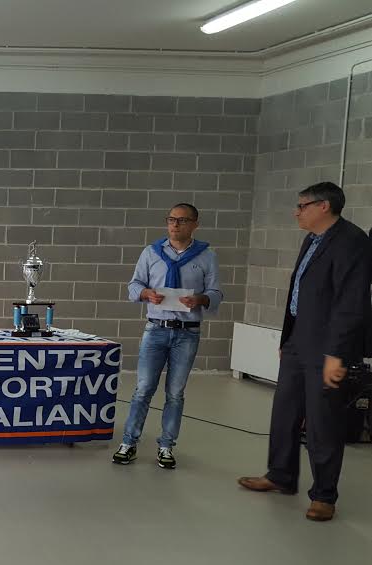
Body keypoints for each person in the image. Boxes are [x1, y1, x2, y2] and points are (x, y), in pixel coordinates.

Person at [238, 182, 372, 522]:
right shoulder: (312, 239)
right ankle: (280, 475)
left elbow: (352, 303)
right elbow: (299, 293)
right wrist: (287, 340)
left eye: (302, 206)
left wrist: (336, 354)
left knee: (323, 421)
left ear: (324, 206)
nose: (297, 212)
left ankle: (324, 495)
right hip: (299, 340)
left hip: (328, 346)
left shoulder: (352, 241)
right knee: (285, 411)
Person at [112, 203, 223, 469]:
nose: (175, 224)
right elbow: (134, 285)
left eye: (182, 220)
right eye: (171, 219)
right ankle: (129, 442)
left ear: (195, 224)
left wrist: (201, 299)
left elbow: (216, 292)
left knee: (175, 393)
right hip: (156, 330)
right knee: (143, 389)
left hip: (187, 333)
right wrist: (146, 293)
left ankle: (166, 446)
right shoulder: (151, 252)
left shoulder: (207, 255)